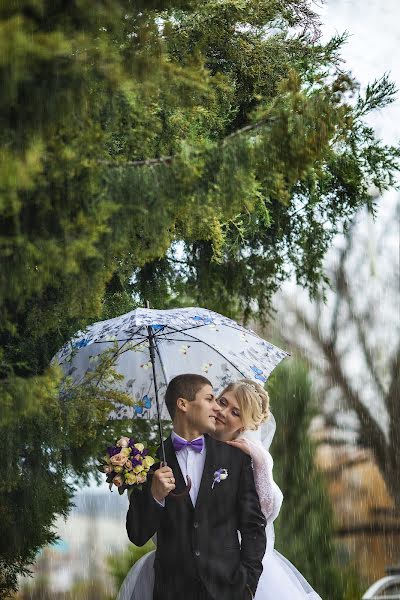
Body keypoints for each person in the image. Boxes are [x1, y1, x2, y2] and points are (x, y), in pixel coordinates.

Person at [124, 373, 267, 600]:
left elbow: (253, 528)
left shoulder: (236, 458)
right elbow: (137, 534)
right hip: (172, 591)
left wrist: (247, 585)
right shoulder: (148, 461)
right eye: (210, 399)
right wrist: (155, 495)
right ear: (183, 404)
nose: (217, 408)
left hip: (228, 590)